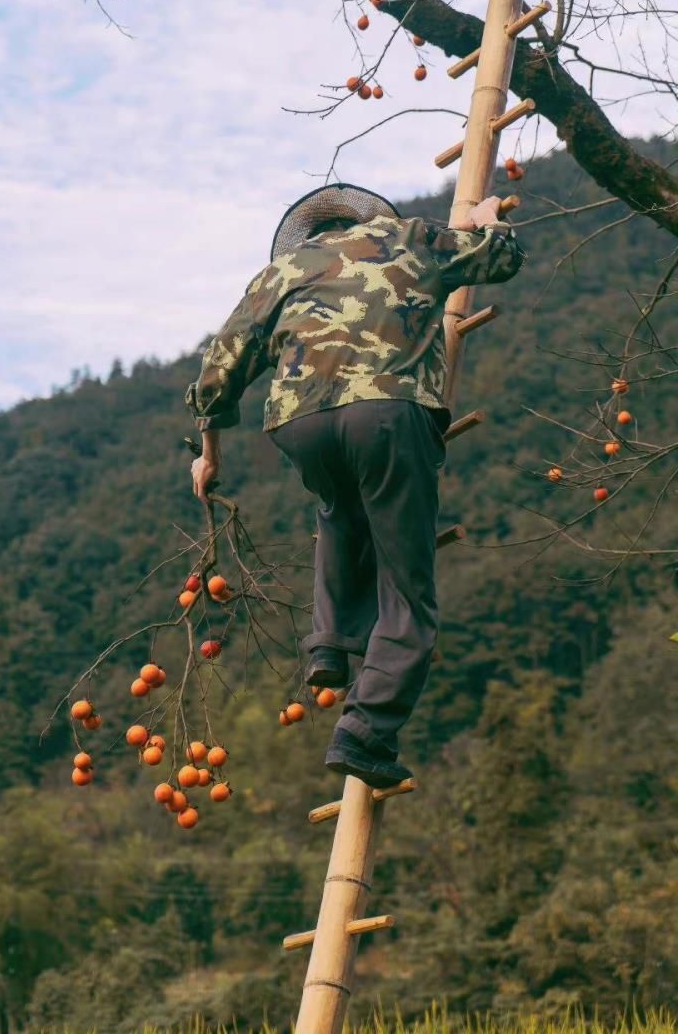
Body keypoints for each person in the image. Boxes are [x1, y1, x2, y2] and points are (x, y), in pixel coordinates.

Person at [185, 182, 525, 788]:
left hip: (299, 423)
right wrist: (488, 218)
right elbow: (500, 259)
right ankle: (367, 730)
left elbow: (220, 366)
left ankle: (332, 643)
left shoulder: (280, 272)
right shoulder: (411, 237)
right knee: (406, 586)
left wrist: (209, 454)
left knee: (339, 509)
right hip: (388, 414)